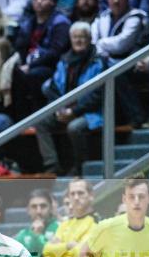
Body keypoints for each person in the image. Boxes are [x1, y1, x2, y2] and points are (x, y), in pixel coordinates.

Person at [35, 21, 106, 174]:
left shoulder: (98, 61)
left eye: (82, 37)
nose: (78, 40)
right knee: (40, 122)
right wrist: (59, 109)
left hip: (90, 112)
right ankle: (52, 165)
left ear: (89, 39)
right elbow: (53, 88)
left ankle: (80, 167)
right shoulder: (64, 60)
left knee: (74, 128)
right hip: (65, 109)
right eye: (75, 37)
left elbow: (97, 95)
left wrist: (74, 111)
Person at [15, 0, 71, 90]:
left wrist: (30, 66)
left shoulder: (60, 22)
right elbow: (20, 47)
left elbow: (55, 52)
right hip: (29, 63)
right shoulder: (28, 23)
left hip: (51, 66)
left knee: (31, 75)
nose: (39, 1)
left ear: (52, 2)